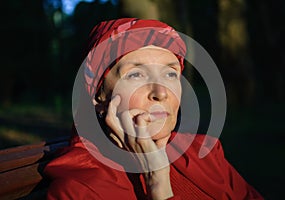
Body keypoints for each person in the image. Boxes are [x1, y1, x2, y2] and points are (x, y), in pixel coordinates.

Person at [44, 18, 264, 200]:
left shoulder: (203, 153)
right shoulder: (80, 191)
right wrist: (158, 184)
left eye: (170, 74)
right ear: (98, 96)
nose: (161, 92)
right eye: (136, 75)